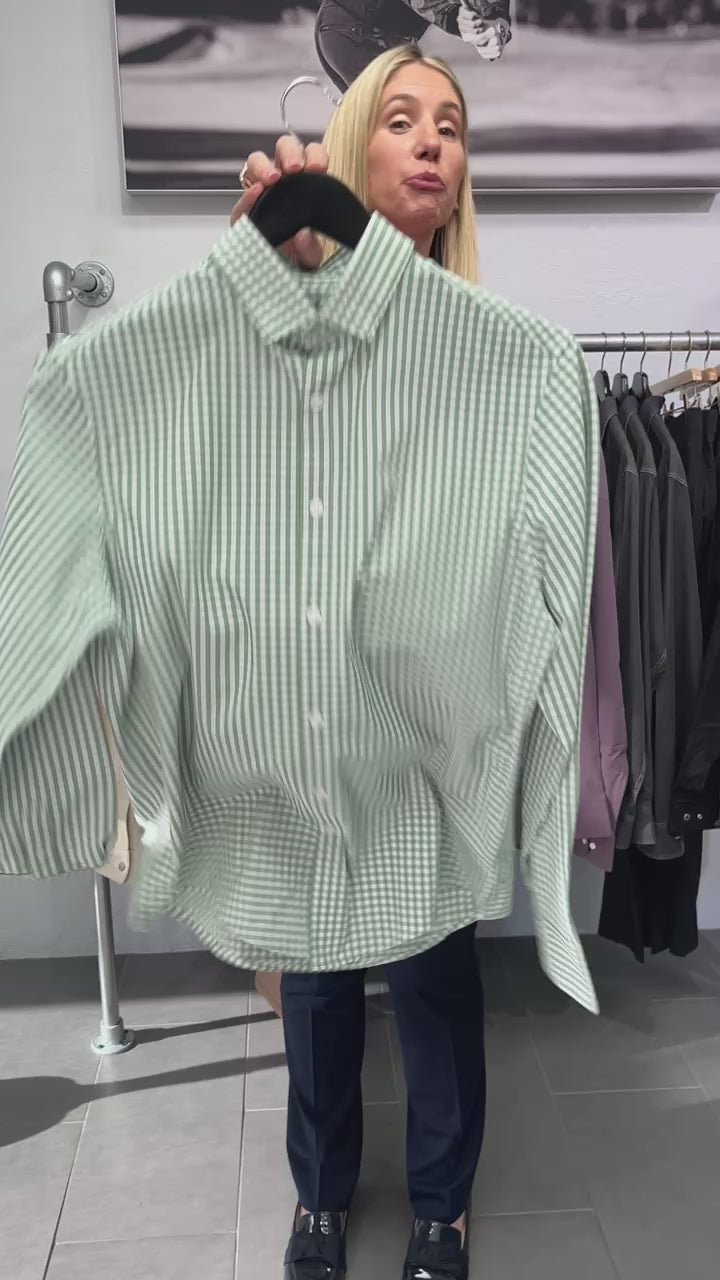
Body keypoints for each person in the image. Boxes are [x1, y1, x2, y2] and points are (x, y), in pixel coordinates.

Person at [232, 44, 485, 1280]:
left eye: (451, 123)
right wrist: (259, 273)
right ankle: (319, 1193)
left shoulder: (480, 342)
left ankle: (443, 1205)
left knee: (436, 967)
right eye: (401, 118)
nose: (432, 141)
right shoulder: (290, 298)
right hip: (307, 697)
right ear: (351, 144)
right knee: (322, 967)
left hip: (426, 702)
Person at [311, 0, 512, 94]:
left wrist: (495, 25)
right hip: (358, 32)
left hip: (377, 35)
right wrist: (452, 17)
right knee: (406, 125)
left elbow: (490, 9)